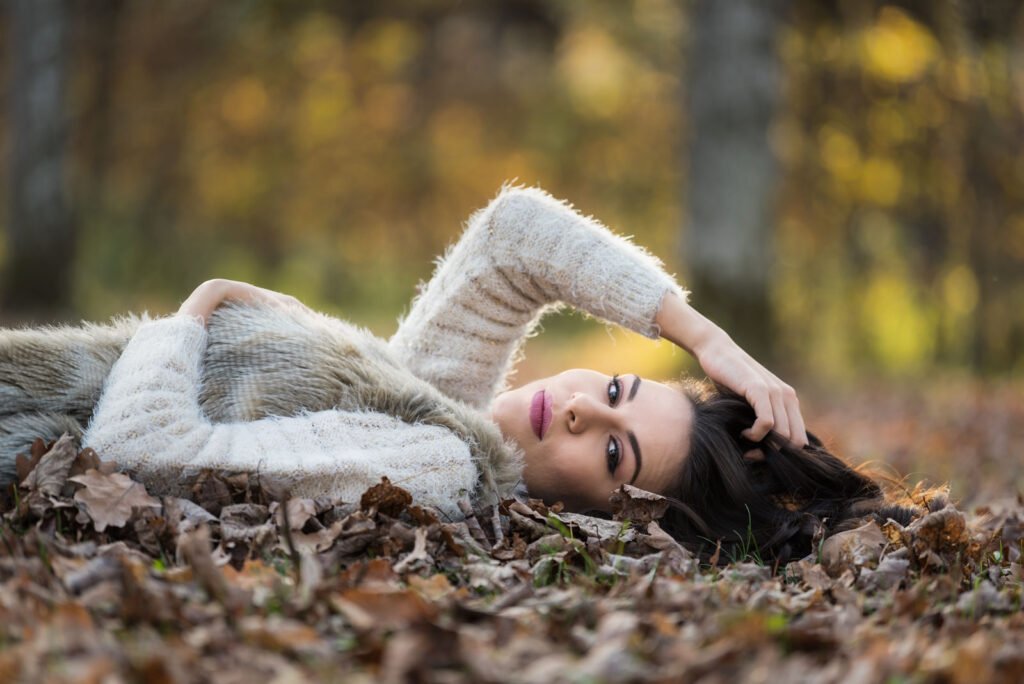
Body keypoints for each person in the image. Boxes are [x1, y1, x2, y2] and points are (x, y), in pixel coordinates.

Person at [0, 185, 917, 563]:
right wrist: (709, 343)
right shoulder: (457, 415)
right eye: (618, 392)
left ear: (598, 518)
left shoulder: (440, 469)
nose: (578, 414)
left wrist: (197, 309)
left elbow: (139, 446)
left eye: (612, 458)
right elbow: (515, 231)